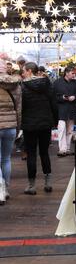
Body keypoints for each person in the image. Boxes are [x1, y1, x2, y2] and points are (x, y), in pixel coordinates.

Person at [21, 62, 56, 195]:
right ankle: (48, 182)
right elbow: (53, 103)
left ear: (30, 71)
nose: (22, 73)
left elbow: (21, 106)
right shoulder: (47, 84)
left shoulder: (23, 86)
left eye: (24, 71)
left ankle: (31, 185)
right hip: (45, 123)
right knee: (44, 152)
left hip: (29, 124)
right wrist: (55, 120)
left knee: (31, 153)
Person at [0, 59, 22, 203]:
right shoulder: (15, 85)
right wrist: (18, 127)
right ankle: (6, 188)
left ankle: (0, 190)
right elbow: (19, 109)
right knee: (6, 159)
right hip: (11, 127)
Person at [53, 66, 76, 157]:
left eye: (74, 73)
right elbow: (53, 96)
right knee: (61, 129)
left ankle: (67, 148)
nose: (74, 75)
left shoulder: (75, 83)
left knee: (70, 130)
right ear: (66, 73)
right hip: (61, 108)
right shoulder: (57, 83)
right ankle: (62, 149)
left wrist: (75, 97)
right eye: (72, 73)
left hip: (72, 109)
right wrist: (63, 97)